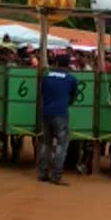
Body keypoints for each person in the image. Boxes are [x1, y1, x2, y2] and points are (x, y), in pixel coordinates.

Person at [37, 54, 78, 186]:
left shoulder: (46, 77)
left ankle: (42, 173)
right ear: (68, 64)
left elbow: (41, 93)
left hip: (46, 113)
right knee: (61, 145)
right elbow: (73, 97)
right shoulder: (71, 79)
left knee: (46, 144)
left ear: (55, 63)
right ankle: (56, 176)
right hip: (61, 114)